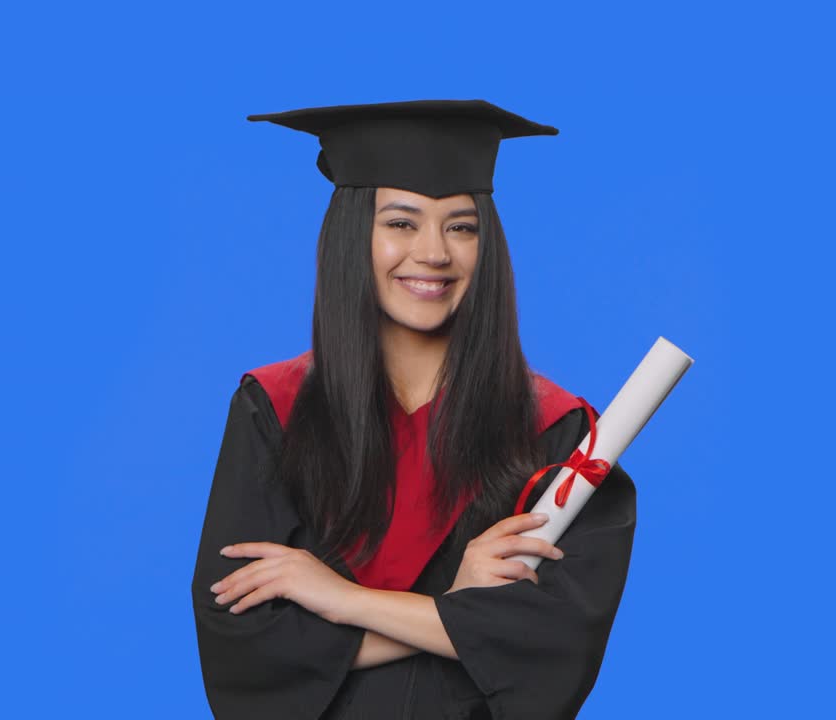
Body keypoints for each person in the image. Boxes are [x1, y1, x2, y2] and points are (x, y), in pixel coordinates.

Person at [191, 100, 637, 720]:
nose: (434, 253)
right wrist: (456, 609)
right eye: (401, 223)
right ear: (354, 236)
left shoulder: (559, 434)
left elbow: (556, 642)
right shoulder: (274, 409)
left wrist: (339, 599)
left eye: (461, 226)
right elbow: (241, 646)